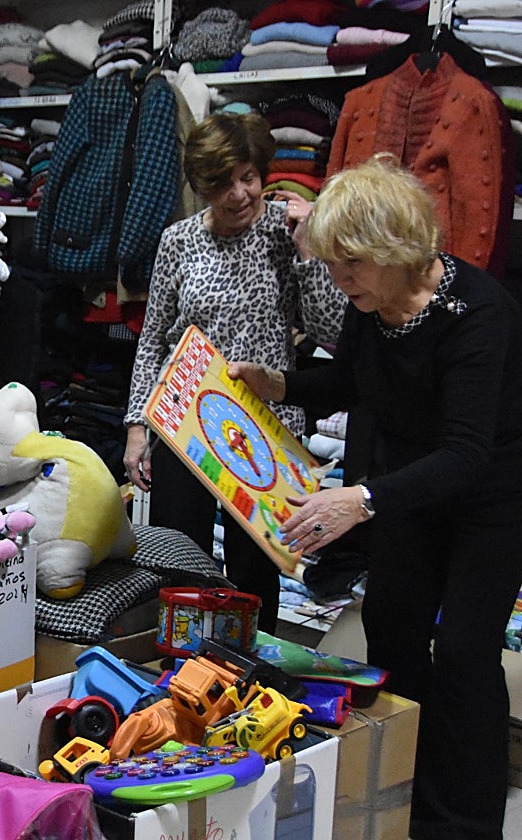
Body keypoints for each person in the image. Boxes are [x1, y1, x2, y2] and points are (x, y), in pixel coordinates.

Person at [229, 154, 522, 840]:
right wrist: (280, 384)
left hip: (492, 496)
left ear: (395, 247)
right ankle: (400, 791)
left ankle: (464, 821)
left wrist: (358, 500)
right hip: (411, 490)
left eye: (350, 263)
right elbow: (356, 381)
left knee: (464, 650)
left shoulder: (479, 316)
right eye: (332, 263)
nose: (339, 279)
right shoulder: (373, 302)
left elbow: (468, 452)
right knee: (391, 626)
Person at [123, 111, 346, 634]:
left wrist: (310, 251)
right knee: (180, 557)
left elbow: (330, 327)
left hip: (266, 428)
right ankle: (181, 669)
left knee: (255, 573)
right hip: (185, 422)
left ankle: (252, 675)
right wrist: (137, 428)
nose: (240, 193)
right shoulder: (178, 241)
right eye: (223, 183)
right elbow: (154, 337)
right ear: (201, 186)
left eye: (248, 177)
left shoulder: (285, 228)